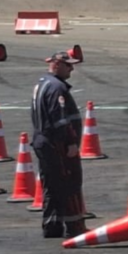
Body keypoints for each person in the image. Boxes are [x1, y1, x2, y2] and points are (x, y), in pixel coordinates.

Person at [30, 51, 86, 239]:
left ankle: (52, 226)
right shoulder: (56, 88)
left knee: (51, 184)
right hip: (56, 144)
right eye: (68, 65)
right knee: (67, 183)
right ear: (56, 65)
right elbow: (59, 119)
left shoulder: (42, 83)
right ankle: (73, 225)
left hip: (43, 141)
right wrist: (70, 143)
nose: (72, 68)